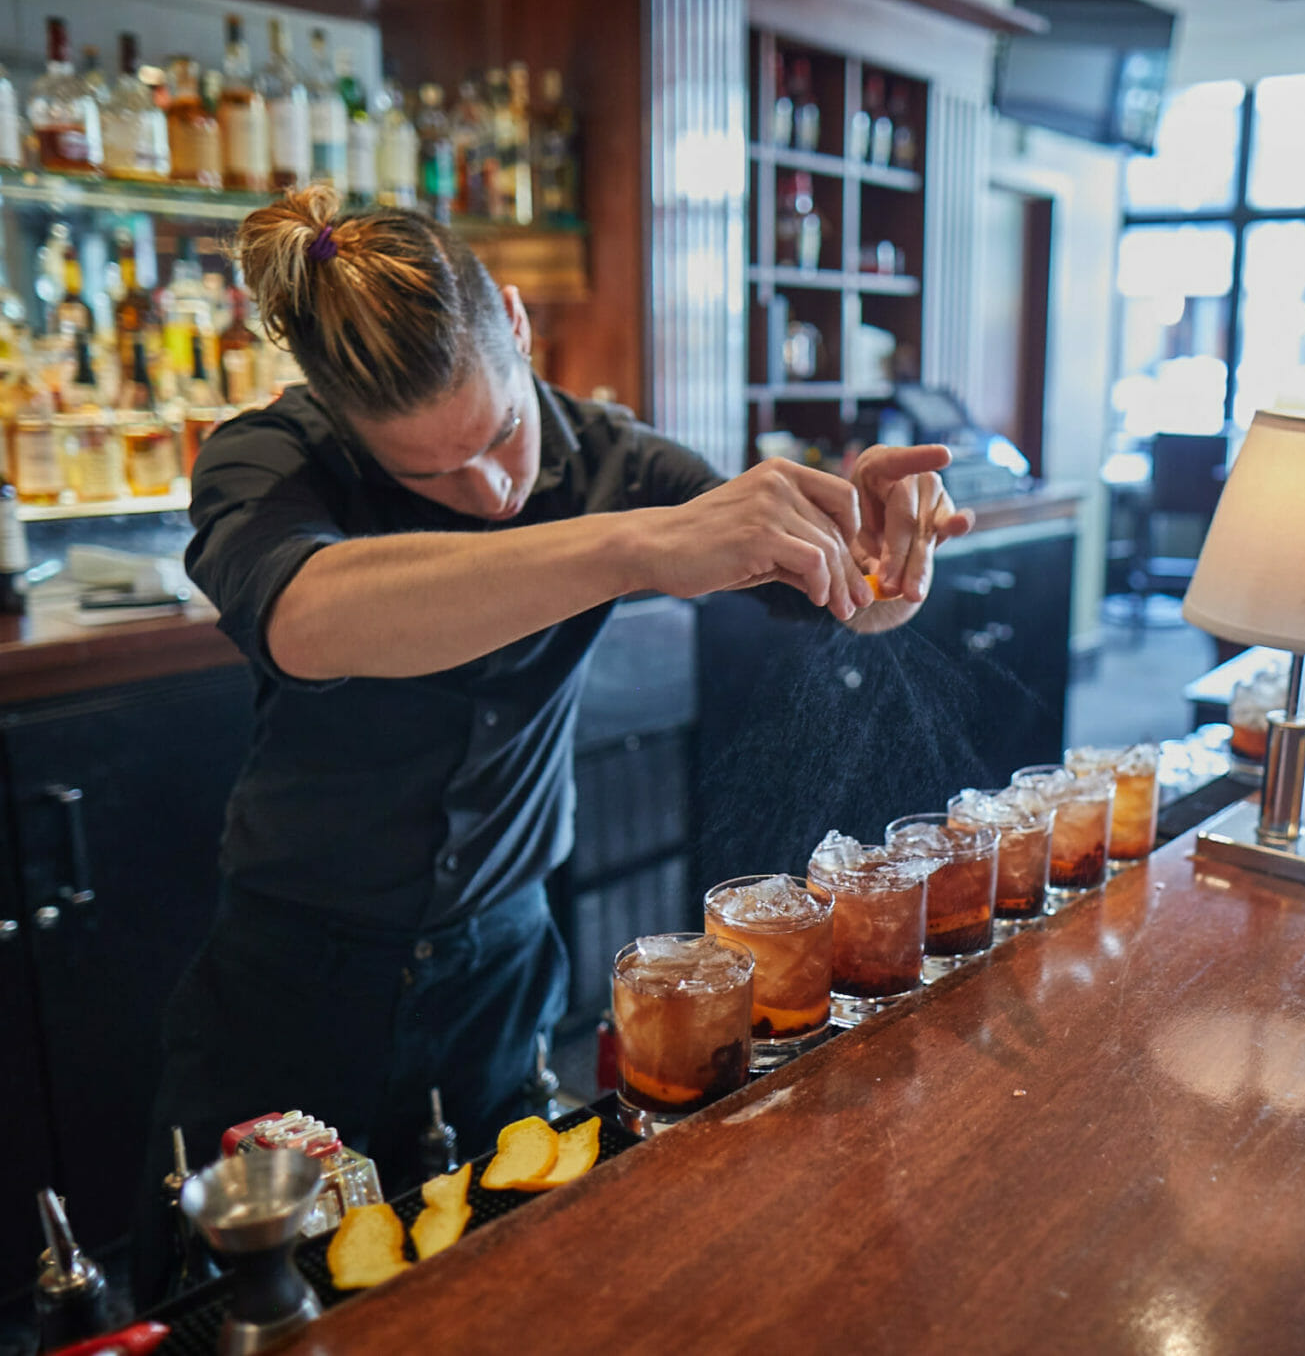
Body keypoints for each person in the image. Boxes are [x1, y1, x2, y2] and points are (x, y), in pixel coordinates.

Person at [136, 186, 968, 1295]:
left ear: (519, 328)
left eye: (500, 434)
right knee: (249, 1301)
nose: (484, 489)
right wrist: (630, 547)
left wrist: (880, 566)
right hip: (295, 967)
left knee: (506, 1273)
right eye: (425, 476)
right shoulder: (265, 462)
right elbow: (307, 614)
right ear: (340, 424)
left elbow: (835, 593)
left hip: (501, 956)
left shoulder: (615, 456)